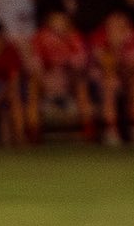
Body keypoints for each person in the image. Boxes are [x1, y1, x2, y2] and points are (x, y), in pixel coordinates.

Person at [29, 11, 93, 143]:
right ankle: (33, 132)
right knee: (33, 84)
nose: (58, 24)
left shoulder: (74, 37)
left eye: (61, 21)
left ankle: (89, 131)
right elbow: (34, 65)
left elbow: (80, 63)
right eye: (55, 20)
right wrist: (49, 65)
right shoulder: (40, 38)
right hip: (46, 84)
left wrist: (65, 61)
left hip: (68, 84)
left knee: (81, 84)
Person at [89, 11, 134, 146]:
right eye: (112, 24)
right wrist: (116, 47)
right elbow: (107, 66)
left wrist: (120, 54)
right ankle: (111, 130)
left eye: (120, 23)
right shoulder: (99, 37)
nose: (115, 26)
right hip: (101, 82)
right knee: (109, 82)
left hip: (127, 78)